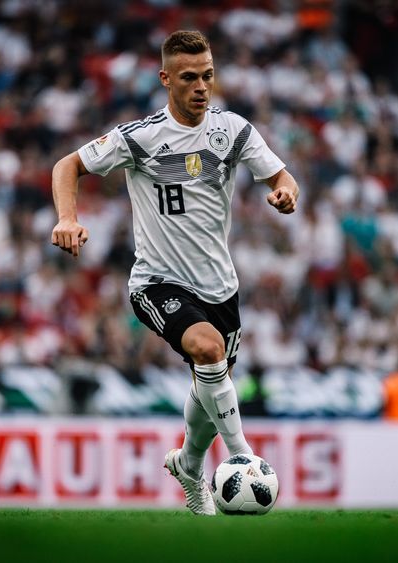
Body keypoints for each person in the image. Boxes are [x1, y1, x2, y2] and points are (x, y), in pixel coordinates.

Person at [50, 30, 299, 515]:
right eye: (189, 77)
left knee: (210, 380)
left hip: (221, 288)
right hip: (156, 282)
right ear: (166, 79)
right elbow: (67, 165)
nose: (202, 86)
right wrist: (67, 217)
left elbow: (279, 175)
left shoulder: (233, 130)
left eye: (208, 75)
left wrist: (286, 192)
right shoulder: (139, 137)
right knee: (207, 351)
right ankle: (243, 457)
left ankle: (188, 464)